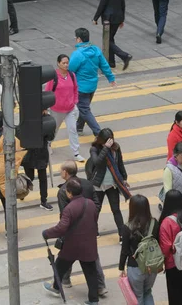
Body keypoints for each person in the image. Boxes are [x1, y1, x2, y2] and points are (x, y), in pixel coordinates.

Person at [42, 178, 100, 305]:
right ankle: (93, 300)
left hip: (72, 246)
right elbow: (94, 220)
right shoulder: (90, 204)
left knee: (60, 266)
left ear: (69, 193)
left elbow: (61, 228)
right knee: (91, 272)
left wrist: (47, 233)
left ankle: (56, 287)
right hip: (89, 244)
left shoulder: (69, 208)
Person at [56, 161, 107, 294]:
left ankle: (63, 281)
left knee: (66, 255)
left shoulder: (63, 190)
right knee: (92, 256)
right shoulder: (87, 183)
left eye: (61, 170)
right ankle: (100, 286)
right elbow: (97, 203)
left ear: (65, 172)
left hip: (73, 231)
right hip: (90, 228)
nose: (60, 172)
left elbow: (64, 214)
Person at [70, 28, 116, 136]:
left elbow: (70, 70)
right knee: (84, 107)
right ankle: (79, 127)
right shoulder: (96, 50)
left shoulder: (77, 54)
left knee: (84, 109)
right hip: (92, 86)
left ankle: (98, 132)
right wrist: (111, 78)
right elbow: (104, 65)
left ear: (79, 39)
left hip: (81, 87)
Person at [88, 128, 130, 242]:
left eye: (111, 140)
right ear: (102, 141)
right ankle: (93, 231)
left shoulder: (116, 148)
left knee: (116, 209)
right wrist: (105, 148)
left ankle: (122, 235)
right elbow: (97, 162)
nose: (111, 143)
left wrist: (124, 178)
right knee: (96, 210)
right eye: (107, 141)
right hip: (98, 185)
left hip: (112, 184)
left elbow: (120, 163)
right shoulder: (94, 149)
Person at [118, 194, 159, 305]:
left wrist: (121, 267)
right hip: (152, 266)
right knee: (147, 292)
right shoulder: (154, 223)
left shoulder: (127, 227)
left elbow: (125, 250)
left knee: (137, 296)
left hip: (135, 267)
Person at [45, 54, 84, 162]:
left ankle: (76, 153)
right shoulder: (53, 77)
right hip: (56, 110)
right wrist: (46, 108)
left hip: (70, 109)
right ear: (58, 64)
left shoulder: (72, 75)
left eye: (67, 62)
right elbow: (48, 92)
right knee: (54, 130)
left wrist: (75, 101)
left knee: (73, 130)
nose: (66, 65)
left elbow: (75, 89)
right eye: (64, 63)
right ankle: (48, 144)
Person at [93, 0, 133, 70]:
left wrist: (95, 18)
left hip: (108, 18)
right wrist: (122, 19)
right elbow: (123, 4)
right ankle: (111, 62)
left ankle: (124, 56)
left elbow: (102, 5)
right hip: (118, 17)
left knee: (107, 40)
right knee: (110, 38)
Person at [21, 127, 54, 211]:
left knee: (39, 178)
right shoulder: (44, 122)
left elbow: (50, 136)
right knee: (30, 178)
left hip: (37, 154)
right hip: (32, 154)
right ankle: (22, 192)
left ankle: (43, 200)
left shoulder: (26, 120)